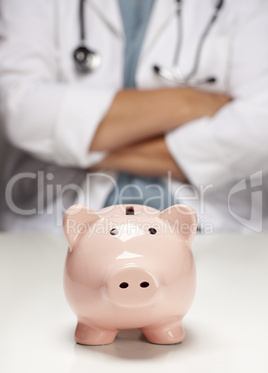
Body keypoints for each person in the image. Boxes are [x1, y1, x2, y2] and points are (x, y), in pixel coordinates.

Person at [0, 0, 267, 233]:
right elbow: (21, 108)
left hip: (211, 229)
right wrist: (187, 102)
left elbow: (258, 127)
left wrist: (74, 142)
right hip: (55, 228)